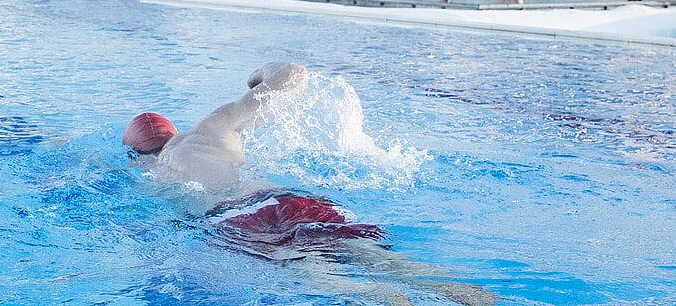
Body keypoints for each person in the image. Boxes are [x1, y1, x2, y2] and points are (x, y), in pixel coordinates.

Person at [123, 63, 494, 306]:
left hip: (238, 218)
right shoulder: (212, 128)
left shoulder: (150, 171)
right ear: (173, 129)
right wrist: (260, 75)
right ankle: (473, 297)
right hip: (290, 198)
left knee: (318, 274)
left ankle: (378, 297)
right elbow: (294, 75)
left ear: (138, 152)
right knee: (385, 258)